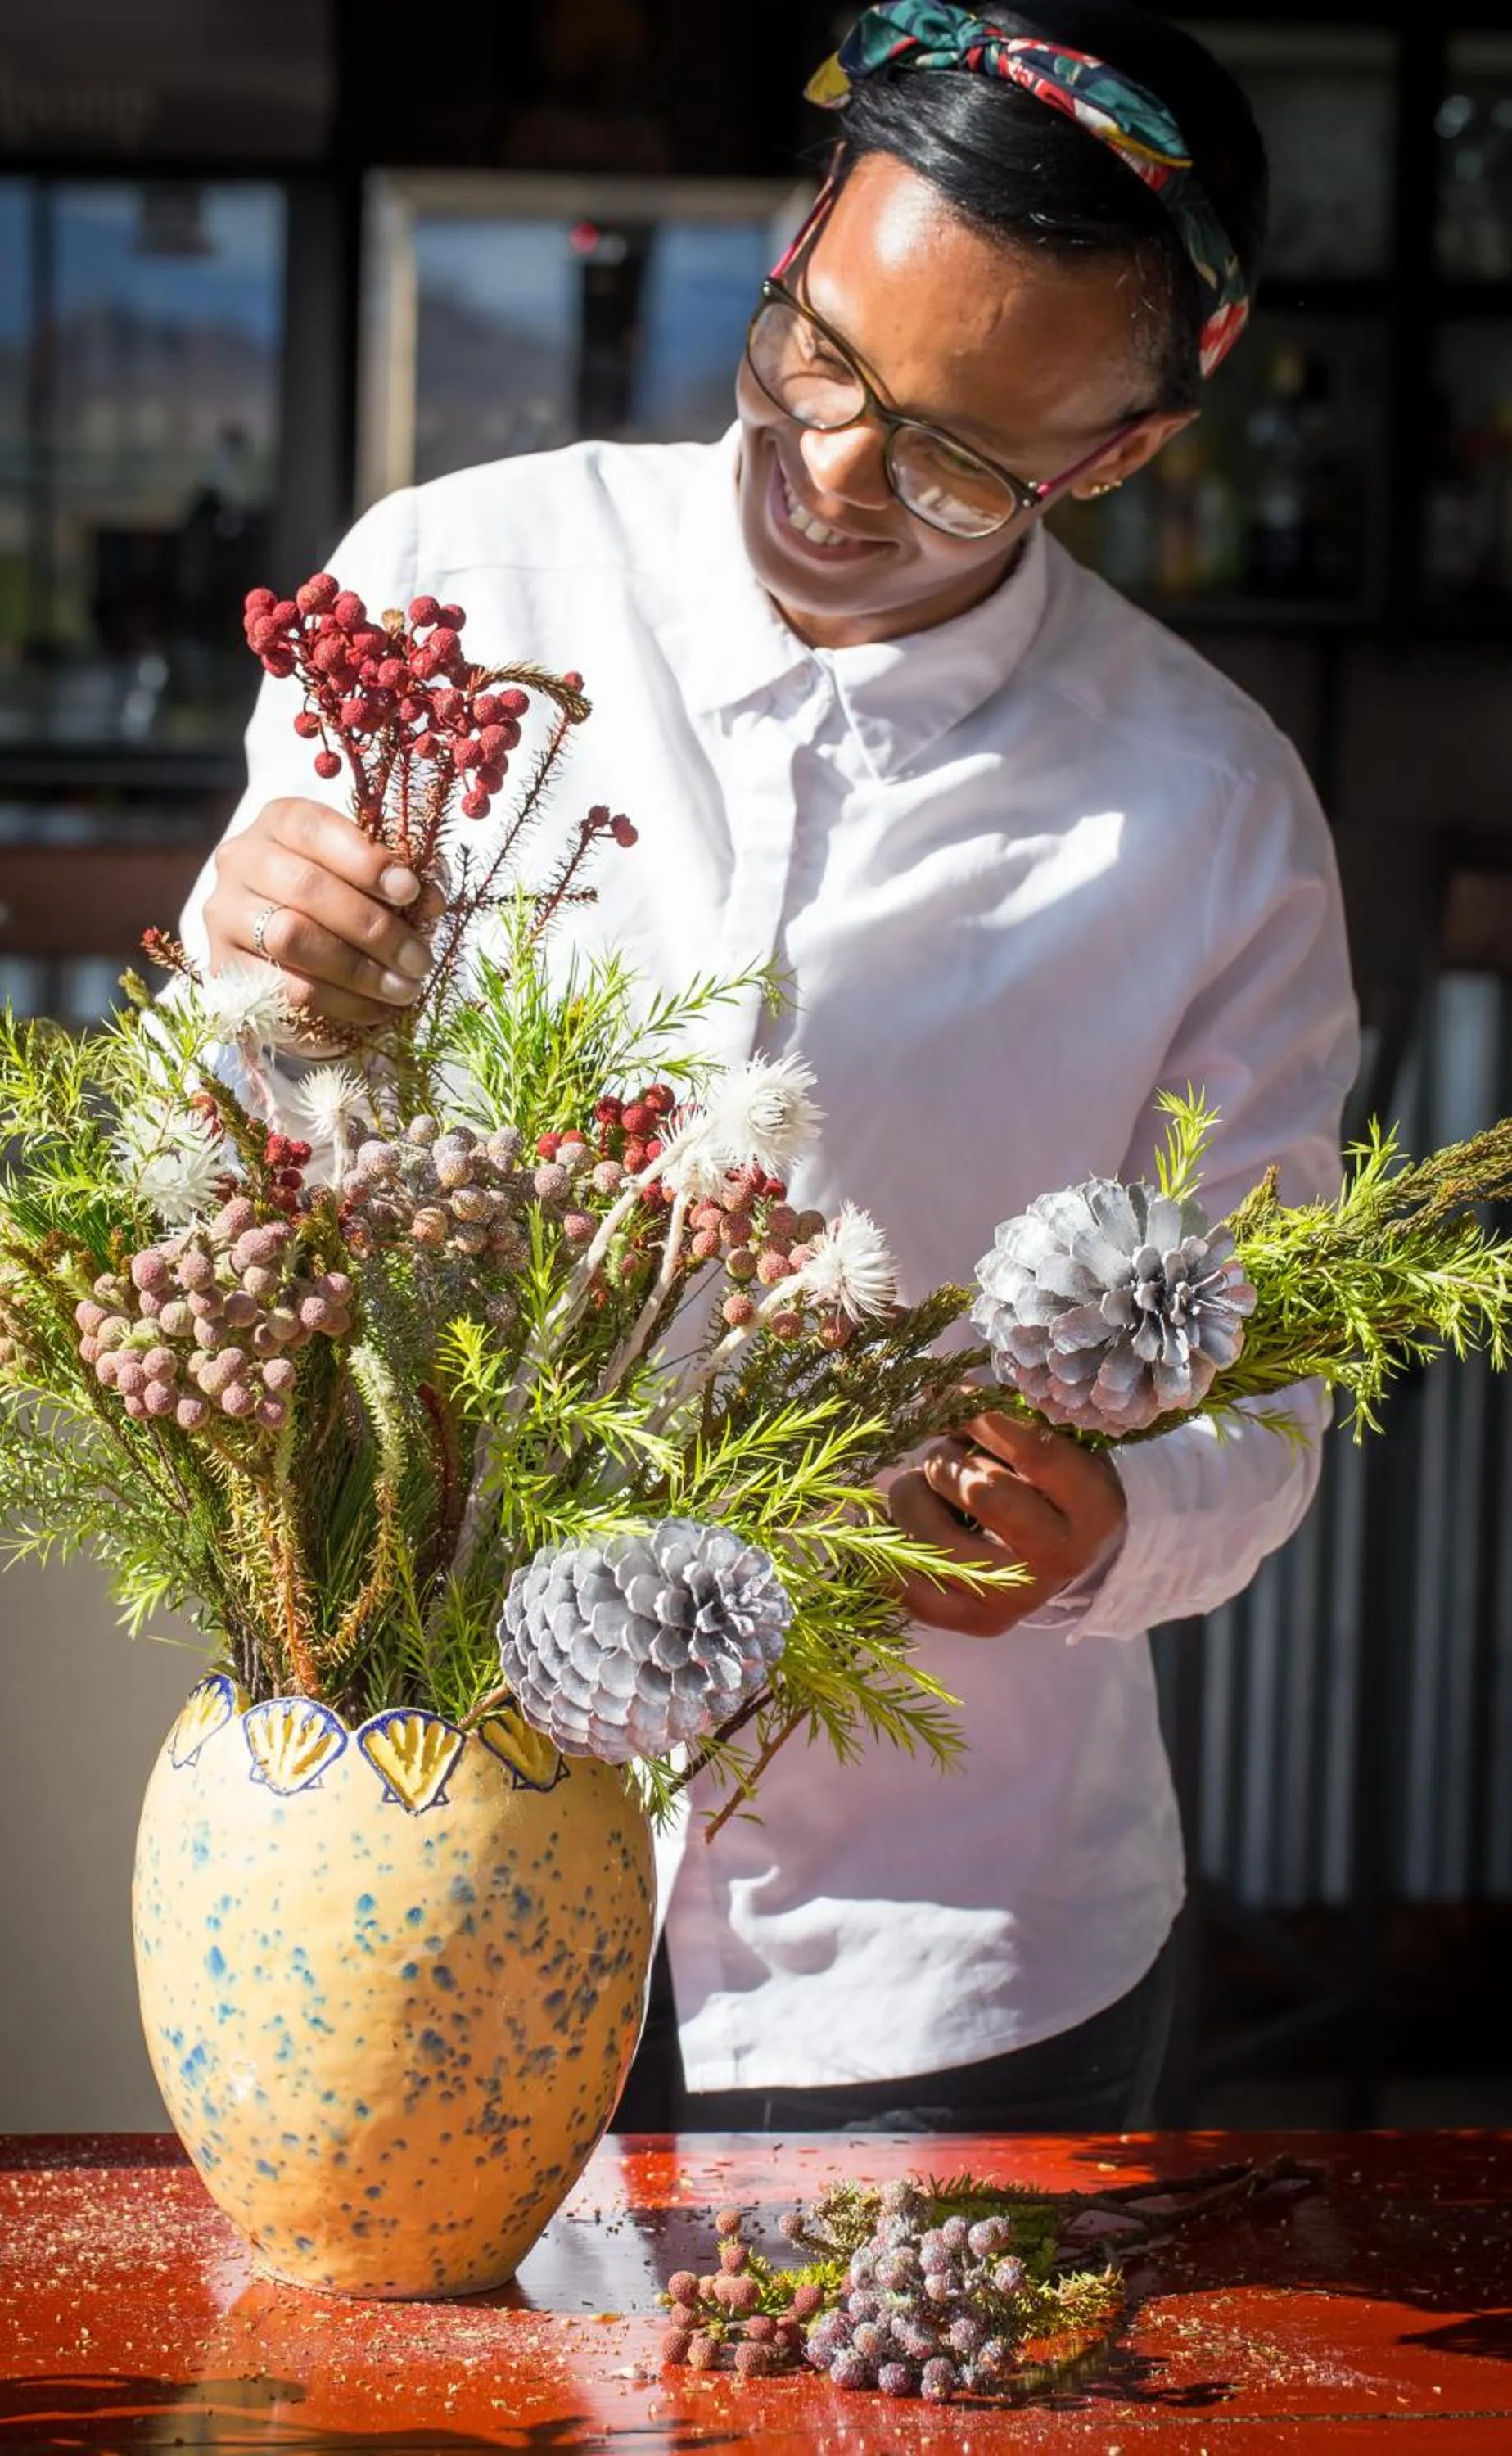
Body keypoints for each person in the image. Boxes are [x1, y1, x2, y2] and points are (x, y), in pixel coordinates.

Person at [181, 2, 1361, 2131]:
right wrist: (246, 967)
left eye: (953, 456)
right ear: (797, 240)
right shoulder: (452, 589)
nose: (831, 475)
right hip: (407, 1840)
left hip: (923, 1957)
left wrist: (1107, 1527)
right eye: (812, 354)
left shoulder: (1202, 816)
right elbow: (247, 1176)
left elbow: (1265, 1383)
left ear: (1118, 449)